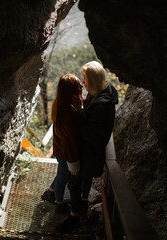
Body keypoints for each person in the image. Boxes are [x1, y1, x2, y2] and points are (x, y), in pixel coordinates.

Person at [56, 61, 118, 231]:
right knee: (82, 181)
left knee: (74, 183)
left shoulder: (102, 106)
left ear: (93, 81)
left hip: (90, 155)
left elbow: (90, 134)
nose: (82, 83)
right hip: (91, 153)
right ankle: (82, 202)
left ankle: (74, 216)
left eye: (85, 79)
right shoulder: (104, 92)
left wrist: (79, 113)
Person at [41, 73, 83, 213]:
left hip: (60, 149)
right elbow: (68, 140)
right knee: (63, 176)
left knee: (61, 173)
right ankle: (58, 202)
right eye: (78, 85)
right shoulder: (66, 112)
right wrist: (73, 162)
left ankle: (50, 191)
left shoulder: (61, 103)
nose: (81, 86)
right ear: (71, 90)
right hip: (64, 152)